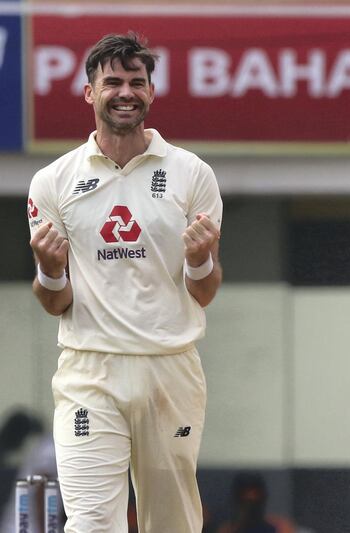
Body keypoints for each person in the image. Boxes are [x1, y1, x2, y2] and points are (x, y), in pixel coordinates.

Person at [26, 32, 223, 532]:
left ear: (151, 93)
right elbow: (55, 301)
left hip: (169, 368)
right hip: (90, 371)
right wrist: (49, 271)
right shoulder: (54, 181)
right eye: (112, 82)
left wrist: (200, 260)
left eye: (137, 81)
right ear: (90, 93)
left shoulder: (190, 173)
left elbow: (204, 290)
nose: (126, 92)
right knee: (91, 523)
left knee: (171, 523)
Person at [215, 472, 295, 533]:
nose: (250, 504)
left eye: (255, 498)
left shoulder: (280, 526)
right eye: (246, 500)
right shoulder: (228, 529)